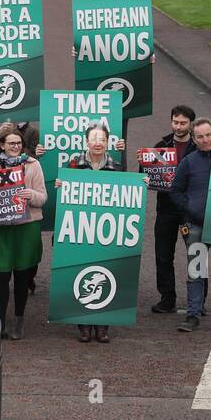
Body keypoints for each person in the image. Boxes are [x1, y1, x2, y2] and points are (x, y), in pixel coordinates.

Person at [58, 123, 121, 343]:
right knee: (82, 273)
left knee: (107, 272)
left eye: (102, 139)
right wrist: (61, 185)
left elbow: (125, 196)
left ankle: (103, 326)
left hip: (106, 230)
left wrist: (140, 183)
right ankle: (83, 326)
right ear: (86, 141)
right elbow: (64, 196)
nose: (98, 143)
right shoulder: (74, 164)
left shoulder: (117, 166)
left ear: (107, 142)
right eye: (94, 139)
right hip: (79, 229)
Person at [0, 126, 46, 339]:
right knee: (0, 276)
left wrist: (31, 194)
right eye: (11, 143)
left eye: (18, 143)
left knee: (22, 275)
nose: (16, 147)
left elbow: (43, 197)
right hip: (1, 228)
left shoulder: (32, 164)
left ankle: (19, 320)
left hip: (27, 225)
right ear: (1, 145)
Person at [169, 118, 211, 332]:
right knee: (196, 272)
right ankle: (192, 315)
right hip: (196, 225)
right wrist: (190, 209)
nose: (205, 140)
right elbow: (175, 191)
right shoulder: (188, 162)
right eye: (200, 137)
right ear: (194, 140)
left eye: (208, 135)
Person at [143, 105, 197, 315]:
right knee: (163, 255)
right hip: (165, 209)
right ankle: (167, 298)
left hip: (191, 209)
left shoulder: (199, 147)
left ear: (190, 124)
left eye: (183, 123)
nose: (178, 126)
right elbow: (146, 171)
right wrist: (145, 175)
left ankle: (197, 300)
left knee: (196, 254)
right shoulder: (161, 146)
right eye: (175, 122)